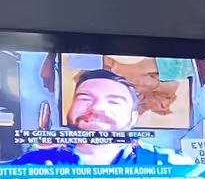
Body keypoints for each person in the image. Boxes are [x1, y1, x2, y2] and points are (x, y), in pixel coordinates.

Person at [9, 68, 180, 167]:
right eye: (85, 99)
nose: (97, 107)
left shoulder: (173, 164)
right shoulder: (30, 165)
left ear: (133, 118)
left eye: (114, 101)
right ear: (70, 109)